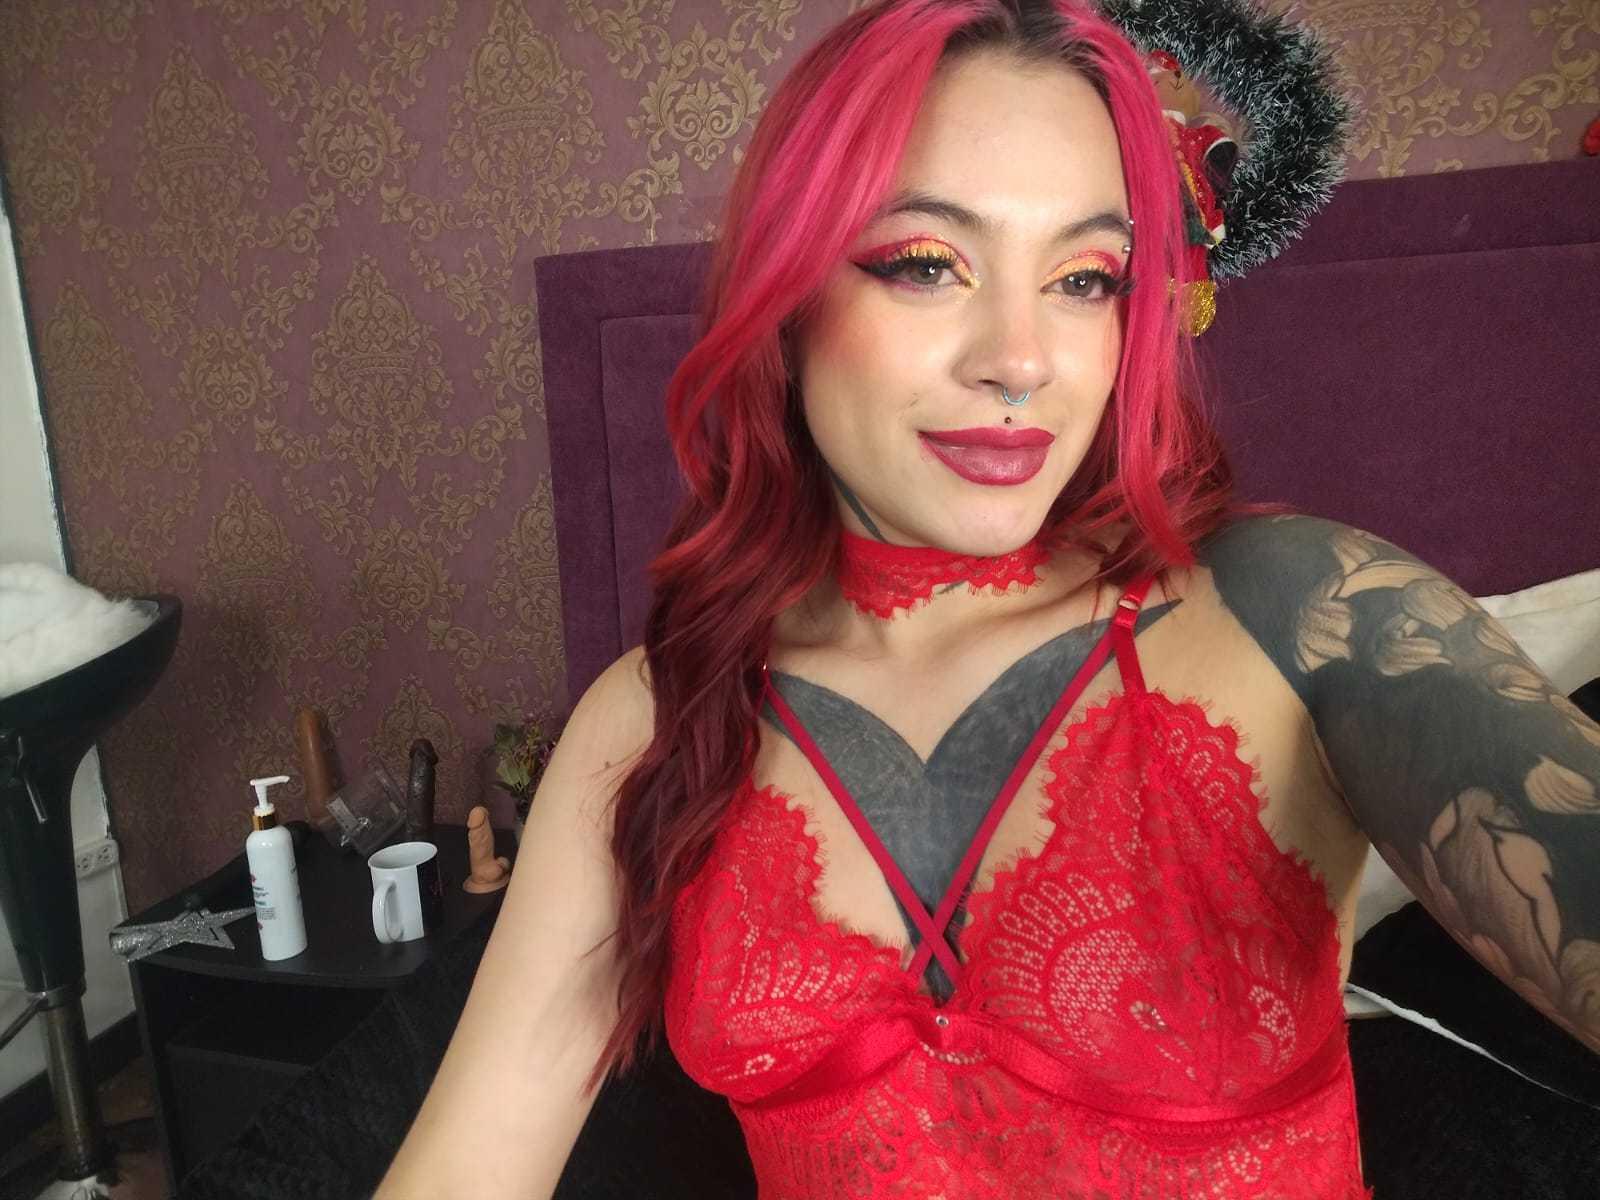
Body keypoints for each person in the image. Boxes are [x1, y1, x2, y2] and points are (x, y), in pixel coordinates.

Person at [374, 0, 1600, 1196]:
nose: (1020, 358)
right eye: (927, 265)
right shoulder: (647, 721)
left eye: (1085, 279)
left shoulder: (1306, 614)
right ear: (786, 296)